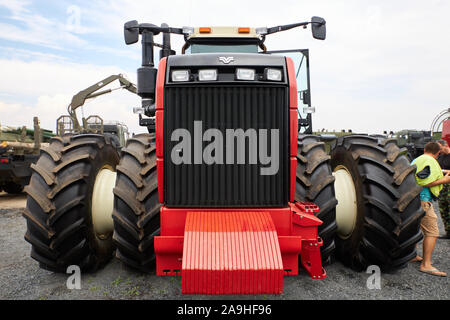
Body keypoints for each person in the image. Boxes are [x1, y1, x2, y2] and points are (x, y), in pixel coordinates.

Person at [410, 141, 449, 277]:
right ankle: (426, 265)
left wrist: (444, 171)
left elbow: (422, 174)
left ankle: (412, 255)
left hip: (412, 199)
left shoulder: (417, 159)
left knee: (415, 228)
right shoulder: (431, 160)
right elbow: (425, 181)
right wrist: (444, 181)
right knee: (432, 231)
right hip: (423, 200)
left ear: (425, 149)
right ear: (438, 153)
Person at [437, 140, 450, 239]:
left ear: (446, 145)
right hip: (442, 185)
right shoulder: (440, 157)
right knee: (443, 208)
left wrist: (444, 171)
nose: (439, 150)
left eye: (440, 148)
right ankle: (448, 232)